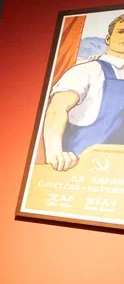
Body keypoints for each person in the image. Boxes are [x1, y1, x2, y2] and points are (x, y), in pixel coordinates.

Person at [43, 12, 124, 171]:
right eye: (121, 32)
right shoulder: (87, 71)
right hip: (80, 166)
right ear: (108, 39)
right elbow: (57, 109)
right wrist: (55, 153)